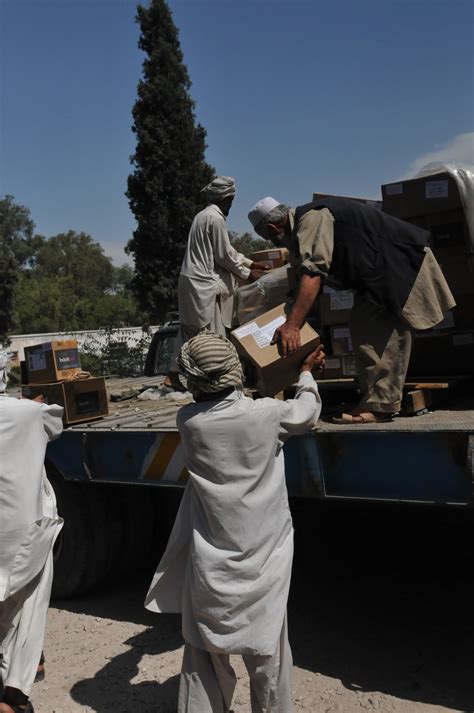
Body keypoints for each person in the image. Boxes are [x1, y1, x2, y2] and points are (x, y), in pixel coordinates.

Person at [145, 332, 325, 712]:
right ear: (233, 371)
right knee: (269, 658)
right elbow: (306, 413)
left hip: (211, 564)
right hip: (265, 560)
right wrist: (305, 374)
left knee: (203, 658)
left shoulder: (188, 421)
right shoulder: (265, 414)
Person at [248, 195, 456, 423]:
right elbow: (303, 281)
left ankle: (379, 406)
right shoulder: (304, 225)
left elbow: (313, 272)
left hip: (398, 264)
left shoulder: (311, 218)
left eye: (271, 239)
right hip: (382, 273)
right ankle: (376, 398)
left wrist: (293, 325)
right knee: (365, 329)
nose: (275, 245)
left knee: (372, 333)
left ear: (273, 227)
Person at [0, 352, 64, 713]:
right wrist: (32, 403)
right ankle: (14, 697)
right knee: (28, 609)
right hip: (24, 539)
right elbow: (56, 423)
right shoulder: (29, 413)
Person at [164, 176, 269, 390]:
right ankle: (213, 381)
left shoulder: (204, 216)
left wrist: (250, 263)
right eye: (231, 199)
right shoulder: (215, 218)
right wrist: (248, 274)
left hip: (192, 281)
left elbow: (226, 251)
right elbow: (223, 255)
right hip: (202, 283)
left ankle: (172, 376)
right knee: (210, 333)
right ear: (227, 198)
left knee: (189, 330)